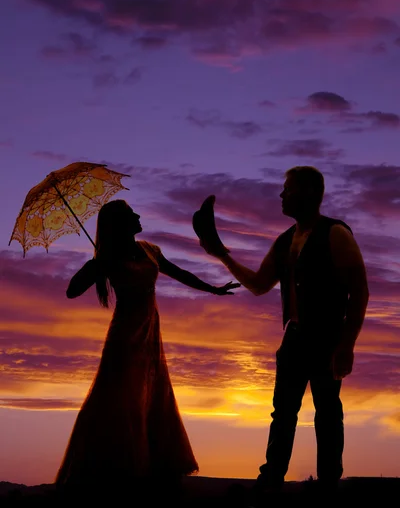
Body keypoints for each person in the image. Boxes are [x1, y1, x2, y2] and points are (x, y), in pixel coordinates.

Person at [195, 166, 369, 497]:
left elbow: (360, 291)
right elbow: (260, 284)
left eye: (287, 189)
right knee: (283, 412)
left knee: (327, 412)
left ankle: (328, 486)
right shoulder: (285, 239)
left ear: (307, 192)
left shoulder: (336, 234)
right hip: (294, 338)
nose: (281, 195)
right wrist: (221, 255)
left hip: (327, 338)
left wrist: (347, 344)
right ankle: (271, 482)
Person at [55, 199, 240, 501]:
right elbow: (71, 291)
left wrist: (214, 288)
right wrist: (97, 263)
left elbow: (179, 273)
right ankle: (114, 478)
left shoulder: (149, 250)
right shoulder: (109, 257)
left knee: (151, 400)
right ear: (120, 225)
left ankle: (149, 479)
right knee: (121, 403)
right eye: (131, 215)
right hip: (124, 339)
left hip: (151, 338)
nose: (139, 216)